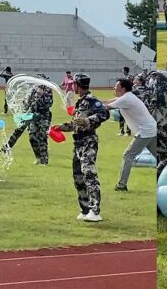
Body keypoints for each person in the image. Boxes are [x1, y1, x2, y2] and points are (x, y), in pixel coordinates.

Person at [54, 73, 109, 222]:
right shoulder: (80, 103)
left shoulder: (92, 101)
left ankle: (95, 210)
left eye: (74, 85)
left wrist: (87, 121)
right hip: (78, 142)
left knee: (89, 174)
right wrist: (61, 127)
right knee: (78, 176)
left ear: (78, 85)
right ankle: (85, 209)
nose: (73, 87)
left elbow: (104, 114)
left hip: (88, 141)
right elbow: (76, 123)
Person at [104, 78, 157, 191]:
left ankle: (121, 185)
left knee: (127, 156)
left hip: (145, 132)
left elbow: (106, 108)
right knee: (160, 156)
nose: (114, 87)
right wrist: (93, 101)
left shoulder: (126, 99)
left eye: (116, 85)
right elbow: (108, 101)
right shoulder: (127, 97)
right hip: (150, 129)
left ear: (122, 88)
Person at [2, 74, 53, 165]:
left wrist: (34, 104)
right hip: (31, 115)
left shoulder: (47, 90)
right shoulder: (33, 89)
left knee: (42, 137)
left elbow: (47, 103)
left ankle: (44, 160)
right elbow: (26, 101)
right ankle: (38, 158)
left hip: (43, 116)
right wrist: (25, 111)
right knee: (32, 137)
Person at [118, 67, 133, 136]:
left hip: (127, 97)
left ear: (125, 70)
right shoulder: (122, 77)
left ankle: (128, 131)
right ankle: (121, 131)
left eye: (123, 70)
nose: (122, 71)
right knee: (121, 115)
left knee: (127, 115)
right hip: (122, 96)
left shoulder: (129, 77)